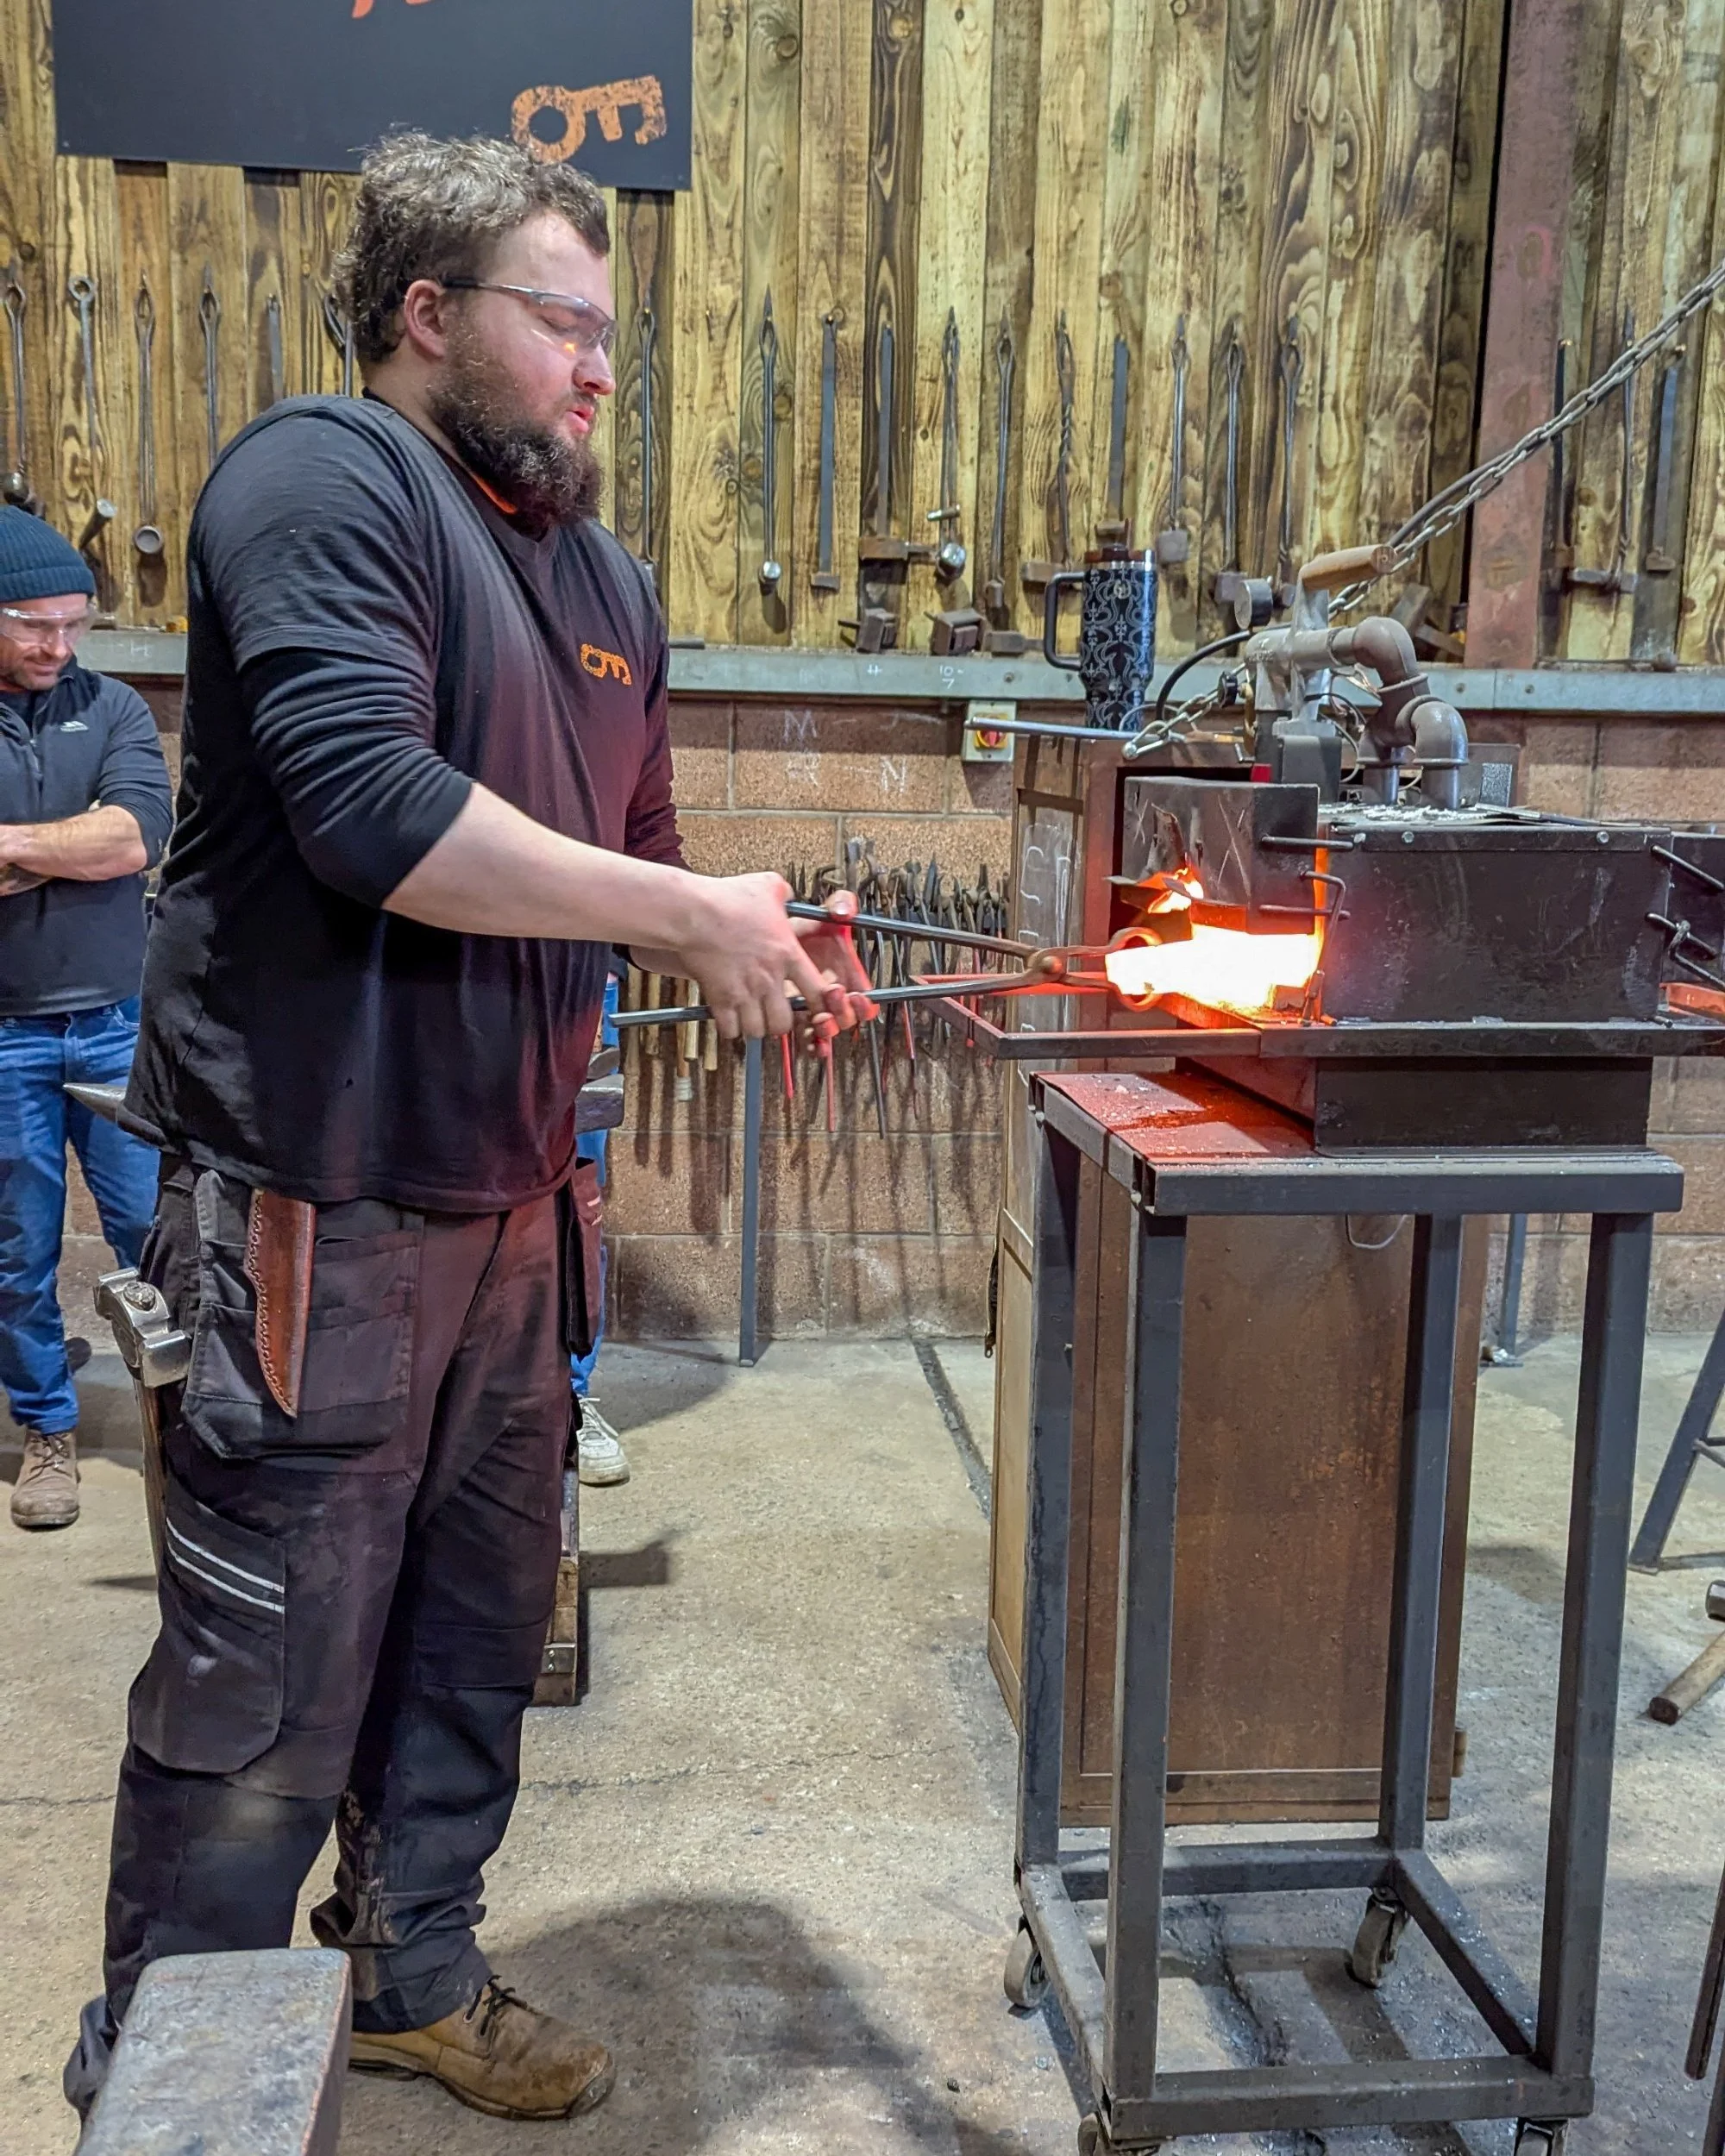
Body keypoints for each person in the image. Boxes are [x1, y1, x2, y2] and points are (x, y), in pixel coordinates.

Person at [66, 132, 870, 2127]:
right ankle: (167, 2075)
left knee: (470, 1632)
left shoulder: (600, 582)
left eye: (614, 333)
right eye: (561, 322)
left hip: (512, 1214)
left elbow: (642, 855)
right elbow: (364, 809)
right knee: (266, 1686)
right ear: (427, 317)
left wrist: (763, 939)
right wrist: (679, 916)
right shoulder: (323, 482)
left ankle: (415, 1965)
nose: (603, 369)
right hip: (313, 1211)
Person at [0, 511, 172, 1531]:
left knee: (152, 1234)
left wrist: (17, 848)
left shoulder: (110, 708)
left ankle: (179, 1417)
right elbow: (94, 839)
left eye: (73, 626)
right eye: (33, 626)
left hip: (117, 1022)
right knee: (14, 1246)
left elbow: (132, 838)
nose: (57, 647)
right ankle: (46, 1429)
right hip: (5, 1032)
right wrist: (68, 842)